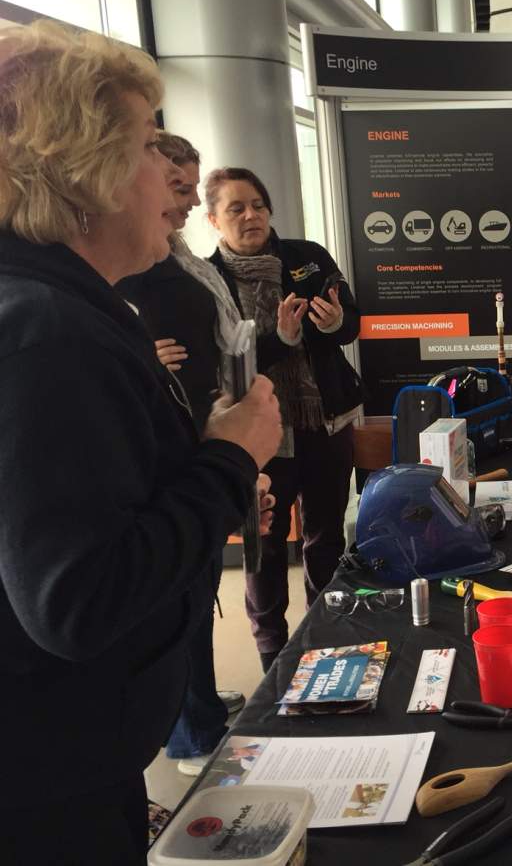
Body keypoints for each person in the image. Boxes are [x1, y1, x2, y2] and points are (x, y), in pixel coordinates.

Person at [0, 21, 281, 863]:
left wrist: (202, 464)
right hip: (47, 790)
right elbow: (77, 601)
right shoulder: (44, 330)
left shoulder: (70, 305)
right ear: (77, 163)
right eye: (147, 143)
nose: (174, 175)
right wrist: (230, 461)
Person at [115, 133, 260, 774]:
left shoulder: (176, 257)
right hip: (175, 454)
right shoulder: (118, 272)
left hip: (202, 434)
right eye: (174, 188)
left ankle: (196, 704)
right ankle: (192, 733)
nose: (180, 205)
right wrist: (142, 360)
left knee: (197, 596)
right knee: (178, 592)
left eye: (188, 190)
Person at [206, 167, 363, 672]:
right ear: (213, 219)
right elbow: (223, 366)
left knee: (325, 538)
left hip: (324, 426)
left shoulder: (308, 257)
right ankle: (273, 655)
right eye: (236, 208)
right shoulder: (210, 282)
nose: (251, 216)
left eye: (258, 204)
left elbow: (350, 322)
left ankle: (323, 636)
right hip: (258, 439)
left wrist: (338, 323)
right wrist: (280, 340)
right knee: (264, 549)